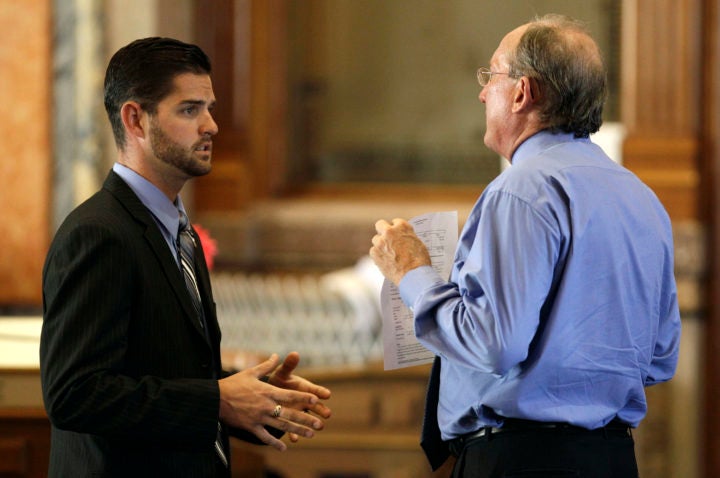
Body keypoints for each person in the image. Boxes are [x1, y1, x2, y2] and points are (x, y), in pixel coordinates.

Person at [370, 14, 681, 478]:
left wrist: (413, 273)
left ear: (522, 92)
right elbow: (660, 356)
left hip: (524, 460)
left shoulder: (521, 191)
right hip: (612, 458)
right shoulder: (642, 197)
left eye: (490, 75)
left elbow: (494, 344)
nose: (481, 92)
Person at [40, 37, 331, 477]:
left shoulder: (180, 231)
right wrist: (220, 399)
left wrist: (254, 397)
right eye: (190, 109)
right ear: (135, 119)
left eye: (209, 108)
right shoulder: (97, 234)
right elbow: (75, 394)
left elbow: (170, 371)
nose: (211, 125)